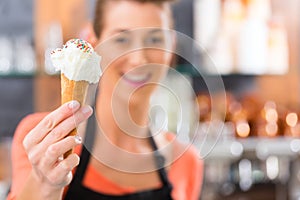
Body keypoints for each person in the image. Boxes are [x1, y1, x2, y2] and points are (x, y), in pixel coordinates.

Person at [8, 0, 203, 199]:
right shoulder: (45, 140)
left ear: (172, 45)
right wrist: (44, 186)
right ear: (93, 41)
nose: (138, 59)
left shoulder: (186, 161)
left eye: (154, 40)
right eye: (122, 40)